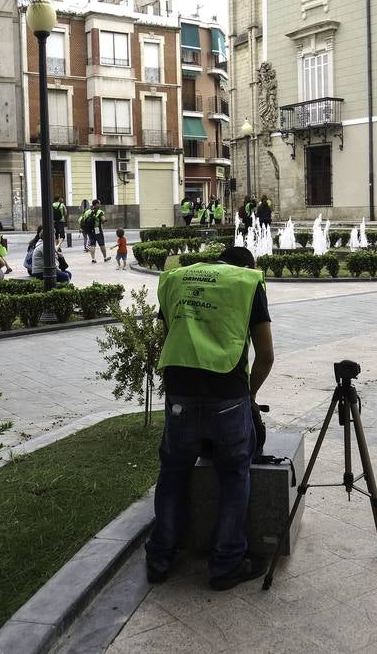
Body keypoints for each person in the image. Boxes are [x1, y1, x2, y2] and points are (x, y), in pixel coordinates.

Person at [145, 246, 275, 591]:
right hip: (227, 394)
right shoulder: (247, 282)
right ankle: (226, 564)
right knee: (234, 474)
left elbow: (169, 334)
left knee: (173, 471)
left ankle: (159, 558)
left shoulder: (176, 278)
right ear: (248, 266)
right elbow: (266, 354)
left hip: (180, 393)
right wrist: (249, 395)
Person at [81, 199, 111, 263]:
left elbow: (83, 220)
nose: (100, 205)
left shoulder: (87, 212)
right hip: (97, 230)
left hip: (89, 230)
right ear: (96, 204)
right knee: (101, 244)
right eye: (99, 203)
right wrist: (104, 220)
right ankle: (105, 257)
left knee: (92, 245)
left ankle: (93, 259)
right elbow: (103, 219)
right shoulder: (99, 211)